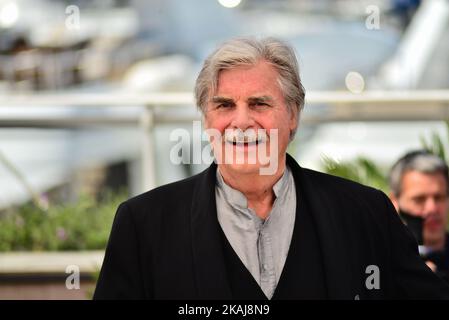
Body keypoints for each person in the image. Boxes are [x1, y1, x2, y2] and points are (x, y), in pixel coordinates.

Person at [94, 37, 449, 299]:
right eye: (224, 105)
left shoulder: (365, 213)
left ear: (293, 116)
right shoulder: (143, 224)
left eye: (259, 103)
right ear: (206, 120)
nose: (242, 121)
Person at [389, 150, 449, 282]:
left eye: (439, 197)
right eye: (419, 199)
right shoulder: (379, 261)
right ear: (394, 202)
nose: (432, 208)